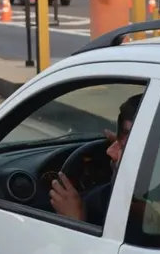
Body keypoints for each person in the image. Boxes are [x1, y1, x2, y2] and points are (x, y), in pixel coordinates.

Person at [49, 93, 142, 224]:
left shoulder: (158, 229)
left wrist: (75, 221)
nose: (110, 151)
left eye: (132, 140)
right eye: (122, 134)